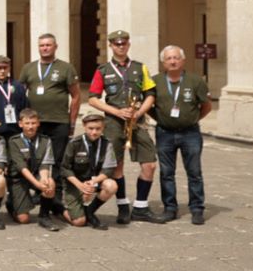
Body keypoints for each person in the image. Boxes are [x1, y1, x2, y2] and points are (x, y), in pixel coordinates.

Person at [88, 29, 160, 223]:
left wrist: (138, 113)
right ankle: (123, 206)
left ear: (128, 45)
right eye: (117, 44)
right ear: (111, 46)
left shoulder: (139, 67)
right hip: (114, 122)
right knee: (116, 166)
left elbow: (150, 94)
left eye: (123, 43)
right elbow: (93, 99)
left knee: (150, 164)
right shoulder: (103, 70)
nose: (120, 47)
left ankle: (141, 207)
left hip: (137, 122)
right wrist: (116, 111)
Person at [19, 33, 80, 221]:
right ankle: (39, 192)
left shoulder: (66, 68)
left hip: (58, 121)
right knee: (35, 159)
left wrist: (72, 122)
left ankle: (56, 198)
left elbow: (76, 96)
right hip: (35, 123)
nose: (45, 48)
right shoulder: (28, 68)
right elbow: (21, 94)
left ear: (55, 46)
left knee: (58, 160)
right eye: (42, 45)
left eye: (48, 45)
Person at [152, 44, 212, 225]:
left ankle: (197, 209)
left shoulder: (195, 81)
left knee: (194, 172)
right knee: (166, 173)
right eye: (169, 58)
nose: (173, 61)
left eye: (176, 58)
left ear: (183, 60)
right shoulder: (155, 82)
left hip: (190, 133)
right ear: (163, 62)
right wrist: (160, 118)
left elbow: (206, 106)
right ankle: (170, 208)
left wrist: (192, 118)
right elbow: (149, 105)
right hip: (164, 133)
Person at [59, 111, 118, 230]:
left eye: (98, 129)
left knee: (111, 185)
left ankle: (90, 212)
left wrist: (93, 182)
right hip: (75, 183)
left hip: (94, 181)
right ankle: (59, 209)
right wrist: (81, 186)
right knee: (79, 222)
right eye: (90, 128)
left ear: (103, 128)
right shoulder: (74, 143)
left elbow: (108, 169)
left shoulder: (107, 144)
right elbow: (65, 168)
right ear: (84, 126)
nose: (94, 132)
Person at [6, 108, 58, 230]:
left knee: (50, 183)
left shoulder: (45, 141)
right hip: (19, 179)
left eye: (33, 123)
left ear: (38, 123)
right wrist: (37, 184)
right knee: (23, 219)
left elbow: (45, 164)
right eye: (27, 123)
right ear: (20, 124)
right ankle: (11, 203)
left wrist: (44, 179)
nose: (30, 127)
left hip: (36, 174)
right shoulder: (14, 141)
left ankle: (44, 216)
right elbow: (22, 168)